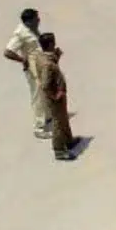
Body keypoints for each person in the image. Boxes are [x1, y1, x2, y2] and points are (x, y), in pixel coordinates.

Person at [33, 32, 80, 161]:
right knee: (58, 123)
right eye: (53, 42)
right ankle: (59, 150)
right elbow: (45, 85)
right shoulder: (47, 64)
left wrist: (56, 57)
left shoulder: (41, 56)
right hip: (54, 97)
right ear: (50, 44)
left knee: (63, 119)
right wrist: (54, 96)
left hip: (57, 94)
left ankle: (68, 141)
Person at [3, 8, 49, 138]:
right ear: (29, 21)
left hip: (41, 65)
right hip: (33, 69)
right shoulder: (20, 34)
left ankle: (46, 116)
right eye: (36, 19)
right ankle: (39, 128)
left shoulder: (33, 29)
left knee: (45, 91)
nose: (39, 20)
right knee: (38, 96)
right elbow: (7, 52)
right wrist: (23, 60)